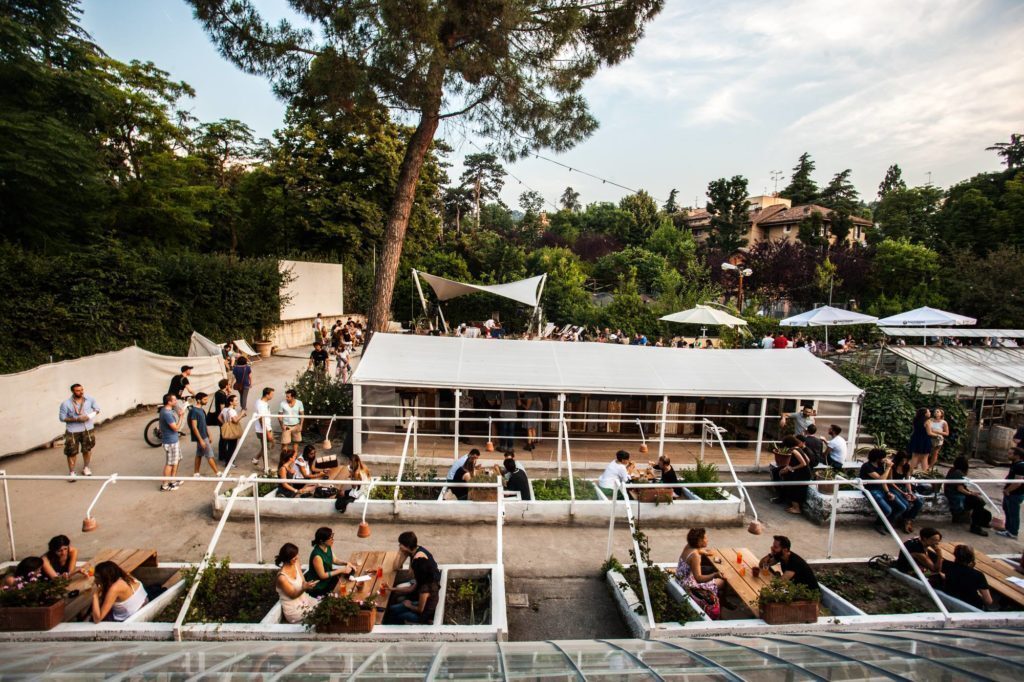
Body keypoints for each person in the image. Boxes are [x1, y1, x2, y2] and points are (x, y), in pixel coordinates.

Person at [387, 531, 441, 624]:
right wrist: (391, 588)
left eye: (401, 544)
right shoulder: (417, 551)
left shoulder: (425, 587)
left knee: (395, 614)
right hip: (421, 602)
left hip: (421, 616)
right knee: (392, 608)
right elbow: (411, 586)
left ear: (408, 546)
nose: (399, 546)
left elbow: (420, 610)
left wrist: (409, 605)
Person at [675, 528, 724, 619]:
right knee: (722, 581)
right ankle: (721, 604)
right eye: (705, 538)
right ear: (699, 541)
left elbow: (696, 550)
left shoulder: (688, 546)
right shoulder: (695, 556)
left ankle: (723, 601)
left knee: (708, 570)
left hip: (679, 580)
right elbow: (699, 578)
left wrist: (704, 552)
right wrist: (715, 575)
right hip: (689, 587)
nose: (707, 539)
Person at [860, 448, 907, 534]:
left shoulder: (880, 465)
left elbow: (884, 482)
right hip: (871, 490)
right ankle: (878, 524)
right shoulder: (867, 466)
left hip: (881, 489)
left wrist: (888, 492)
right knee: (887, 510)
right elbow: (880, 479)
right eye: (883, 457)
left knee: (902, 507)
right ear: (877, 458)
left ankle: (888, 523)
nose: (885, 459)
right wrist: (888, 467)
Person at [59, 383, 100, 480]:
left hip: (88, 429)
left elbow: (97, 409)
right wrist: (76, 419)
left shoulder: (90, 399)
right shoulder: (66, 404)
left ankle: (86, 468)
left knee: (87, 449)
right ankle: (72, 473)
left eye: (82, 390)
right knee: (71, 452)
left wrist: (89, 416)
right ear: (73, 391)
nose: (81, 392)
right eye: (78, 390)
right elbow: (62, 418)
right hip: (73, 431)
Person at [944, 456, 992, 536]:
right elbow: (960, 488)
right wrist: (970, 493)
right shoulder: (958, 473)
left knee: (979, 503)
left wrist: (970, 492)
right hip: (956, 495)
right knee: (978, 502)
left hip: (954, 493)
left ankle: (981, 522)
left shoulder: (953, 470)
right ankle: (975, 527)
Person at [305, 527, 356, 598]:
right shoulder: (317, 556)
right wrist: (341, 570)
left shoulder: (327, 546)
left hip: (328, 577)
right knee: (343, 586)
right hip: (319, 585)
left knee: (348, 576)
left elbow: (335, 560)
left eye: (332, 537)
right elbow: (322, 575)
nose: (333, 540)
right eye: (330, 538)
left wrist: (347, 563)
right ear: (322, 541)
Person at [275, 543, 319, 624]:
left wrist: (308, 584)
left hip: (305, 600)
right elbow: (293, 595)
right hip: (294, 610)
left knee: (324, 606)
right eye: (294, 556)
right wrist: (304, 588)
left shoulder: (295, 563)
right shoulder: (282, 577)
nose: (297, 557)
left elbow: (303, 582)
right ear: (287, 558)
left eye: (296, 554)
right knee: (321, 615)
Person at [940, 544, 992, 609]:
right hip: (971, 605)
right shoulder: (978, 575)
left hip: (949, 598)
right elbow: (988, 601)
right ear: (971, 558)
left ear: (955, 554)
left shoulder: (946, 564)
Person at [888, 451, 924, 533]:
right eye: (902, 460)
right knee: (906, 504)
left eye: (905, 460)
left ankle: (908, 519)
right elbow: (891, 482)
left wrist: (910, 492)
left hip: (902, 487)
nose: (904, 462)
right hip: (893, 487)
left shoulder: (907, 466)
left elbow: (907, 481)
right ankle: (903, 521)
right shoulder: (893, 466)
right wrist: (902, 492)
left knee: (919, 502)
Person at [158, 393, 186, 491]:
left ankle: (173, 480)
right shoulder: (167, 413)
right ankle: (165, 485)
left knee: (176, 460)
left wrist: (179, 413)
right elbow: (176, 428)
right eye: (174, 400)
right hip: (170, 442)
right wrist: (181, 417)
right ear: (169, 402)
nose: (176, 401)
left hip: (173, 440)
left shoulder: (167, 410)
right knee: (170, 463)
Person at [778, 435, 812, 515]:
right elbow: (808, 460)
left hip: (801, 474)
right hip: (805, 472)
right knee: (797, 489)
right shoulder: (799, 449)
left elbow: (803, 463)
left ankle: (796, 508)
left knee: (794, 489)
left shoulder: (794, 451)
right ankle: (795, 507)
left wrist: (792, 468)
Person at [188, 393, 219, 477]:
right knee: (210, 455)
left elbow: (205, 424)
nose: (206, 401)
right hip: (202, 437)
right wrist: (201, 440)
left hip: (204, 436)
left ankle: (196, 473)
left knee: (199, 454)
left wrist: (210, 434)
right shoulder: (194, 411)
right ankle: (218, 473)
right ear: (198, 400)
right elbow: (194, 427)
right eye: (205, 399)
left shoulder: (201, 410)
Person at [997, 446, 1024, 539]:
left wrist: (1007, 490)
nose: (1008, 455)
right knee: (1007, 510)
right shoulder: (1015, 464)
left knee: (1013, 513)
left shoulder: (1020, 466)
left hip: (1015, 494)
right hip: (1010, 493)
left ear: (1017, 456)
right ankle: (1008, 529)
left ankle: (1013, 532)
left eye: (1010, 454)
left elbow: (1018, 482)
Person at [217, 394, 245, 465]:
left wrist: (225, 424)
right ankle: (229, 462)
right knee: (232, 447)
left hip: (227, 430)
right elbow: (235, 420)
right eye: (235, 400)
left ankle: (227, 460)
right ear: (231, 402)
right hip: (232, 430)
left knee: (228, 446)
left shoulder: (225, 409)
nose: (237, 402)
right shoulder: (232, 411)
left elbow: (219, 417)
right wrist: (241, 415)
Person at [252, 387, 275, 466]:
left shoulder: (262, 402)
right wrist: (267, 432)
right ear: (267, 395)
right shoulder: (261, 404)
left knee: (265, 447)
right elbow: (261, 419)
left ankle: (255, 459)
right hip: (263, 430)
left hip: (266, 428)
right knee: (265, 448)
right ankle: (266, 467)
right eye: (271, 394)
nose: (272, 396)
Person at [908, 408, 932, 472]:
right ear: (925, 414)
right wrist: (938, 435)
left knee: (914, 456)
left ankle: (909, 472)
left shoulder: (916, 420)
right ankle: (925, 473)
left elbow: (914, 430)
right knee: (925, 457)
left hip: (915, 438)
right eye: (928, 412)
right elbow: (929, 433)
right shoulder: (927, 421)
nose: (930, 413)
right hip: (924, 440)